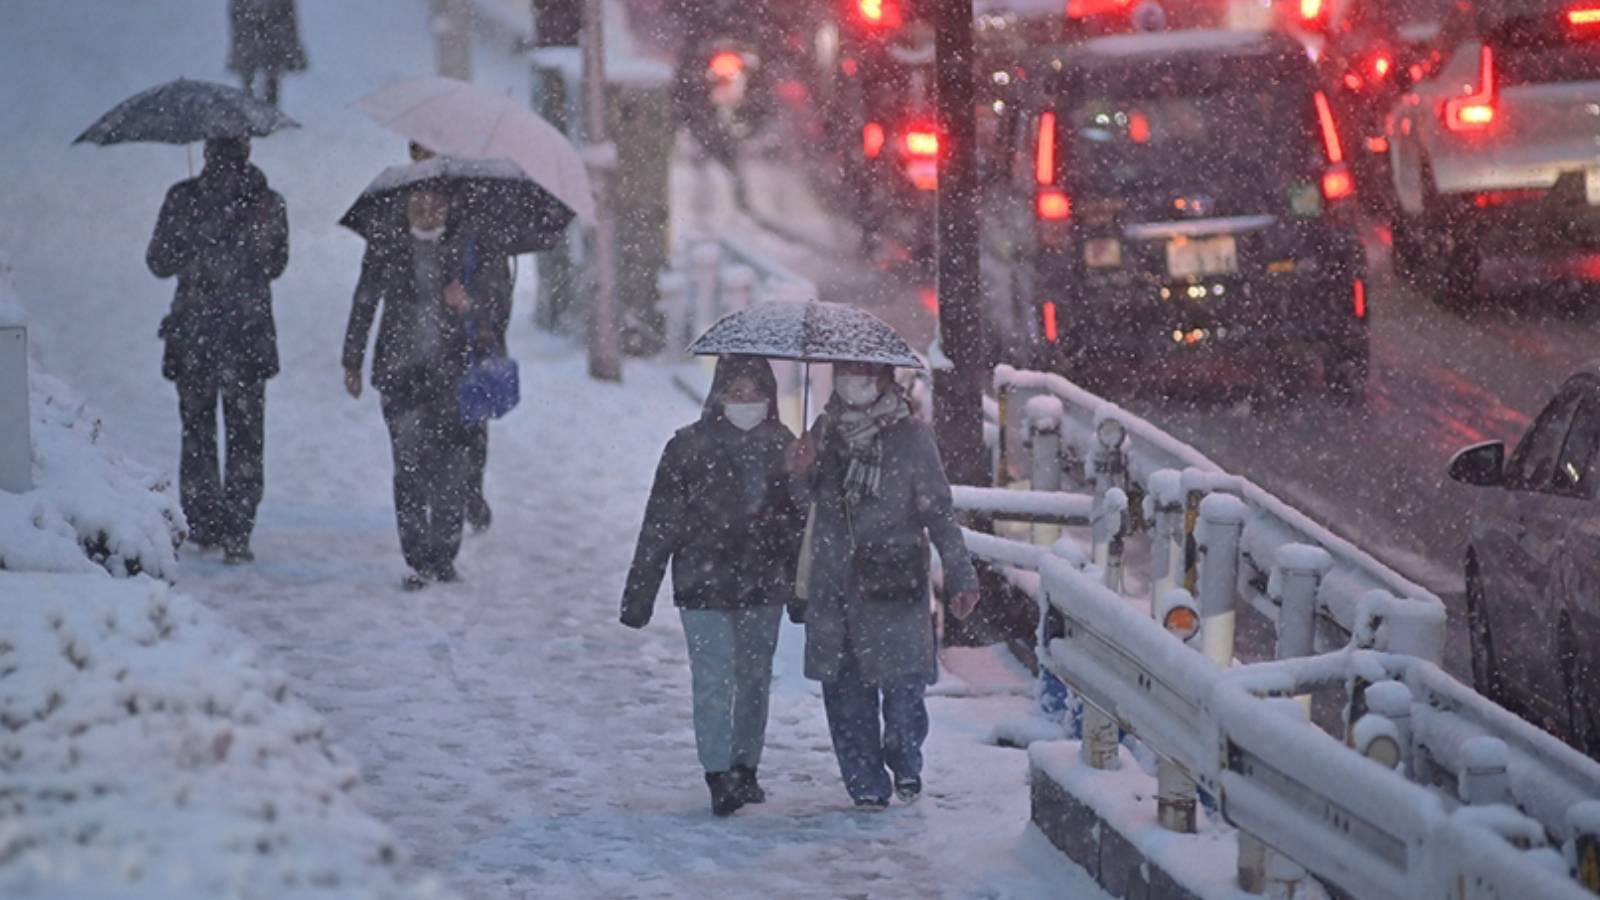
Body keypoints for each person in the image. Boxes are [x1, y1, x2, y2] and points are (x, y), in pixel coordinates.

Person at [786, 361, 981, 809]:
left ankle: (905, 758)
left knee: (903, 693)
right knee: (846, 696)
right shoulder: (824, 430)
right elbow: (802, 509)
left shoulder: (912, 438)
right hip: (835, 584)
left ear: (884, 380)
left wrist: (960, 576)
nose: (853, 383)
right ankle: (866, 785)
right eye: (845, 374)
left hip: (894, 583)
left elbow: (939, 513)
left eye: (864, 374)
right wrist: (799, 472)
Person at [621, 356, 805, 817]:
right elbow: (659, 524)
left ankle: (746, 766)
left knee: (754, 680)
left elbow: (802, 525)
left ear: (770, 397)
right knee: (712, 680)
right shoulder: (686, 447)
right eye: (735, 393)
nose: (745, 403)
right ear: (718, 396)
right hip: (703, 584)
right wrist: (639, 596)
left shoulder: (785, 446)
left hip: (763, 584)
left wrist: (804, 476)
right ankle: (718, 773)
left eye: (754, 394)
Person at [146, 137, 287, 565]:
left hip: (195, 333)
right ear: (248, 149)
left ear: (206, 151)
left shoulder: (184, 198)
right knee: (245, 435)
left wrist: (192, 243)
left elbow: (158, 262)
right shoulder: (268, 202)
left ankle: (204, 521)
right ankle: (238, 529)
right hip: (246, 335)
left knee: (197, 433)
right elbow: (276, 264)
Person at [342, 187, 489, 590]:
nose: (428, 213)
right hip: (400, 373)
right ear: (403, 208)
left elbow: (494, 303)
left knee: (451, 467)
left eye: (437, 204)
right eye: (418, 205)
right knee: (408, 467)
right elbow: (365, 300)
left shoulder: (464, 247)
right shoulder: (386, 246)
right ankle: (417, 556)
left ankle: (444, 554)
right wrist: (351, 359)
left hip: (451, 374)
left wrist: (468, 303)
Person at [409, 141, 513, 532]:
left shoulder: (476, 218)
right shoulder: (414, 208)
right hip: (438, 342)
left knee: (470, 423)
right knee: (448, 427)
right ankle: (454, 497)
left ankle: (466, 492)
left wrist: (475, 307)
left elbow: (496, 283)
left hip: (469, 337)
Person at [228, 0, 307, 107]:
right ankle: (262, 114)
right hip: (262, 47)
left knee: (264, 86)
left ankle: (260, 114)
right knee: (260, 87)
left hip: (264, 48)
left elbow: (289, 23)